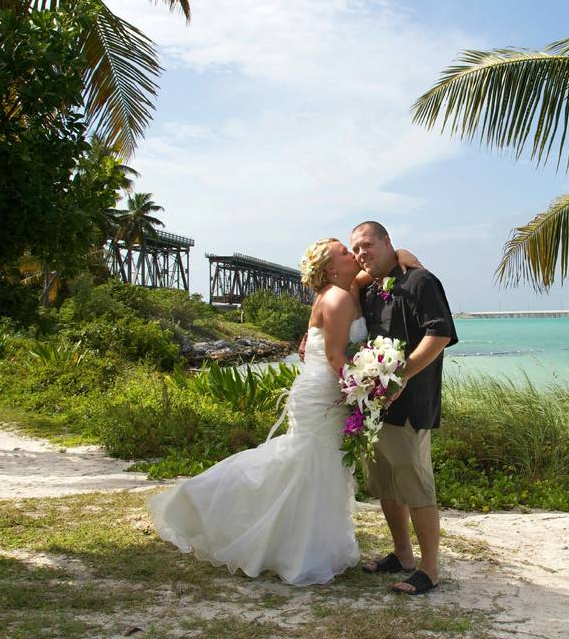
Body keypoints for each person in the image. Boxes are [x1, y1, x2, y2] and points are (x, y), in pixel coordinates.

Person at [147, 238, 418, 585]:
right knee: (307, 463)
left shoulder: (344, 287)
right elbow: (336, 358)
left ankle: (307, 546)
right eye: (345, 252)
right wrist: (369, 385)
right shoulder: (335, 297)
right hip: (323, 393)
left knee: (319, 468)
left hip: (328, 391)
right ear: (332, 268)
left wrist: (401, 255)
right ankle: (214, 508)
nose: (354, 255)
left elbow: (371, 273)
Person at [350, 221, 457, 596]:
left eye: (368, 245)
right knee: (386, 485)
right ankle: (402, 555)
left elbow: (439, 334)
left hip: (411, 404)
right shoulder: (371, 289)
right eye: (356, 250)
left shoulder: (420, 281)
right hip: (376, 408)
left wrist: (400, 378)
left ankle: (429, 570)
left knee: (416, 486)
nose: (362, 254)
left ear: (388, 242)